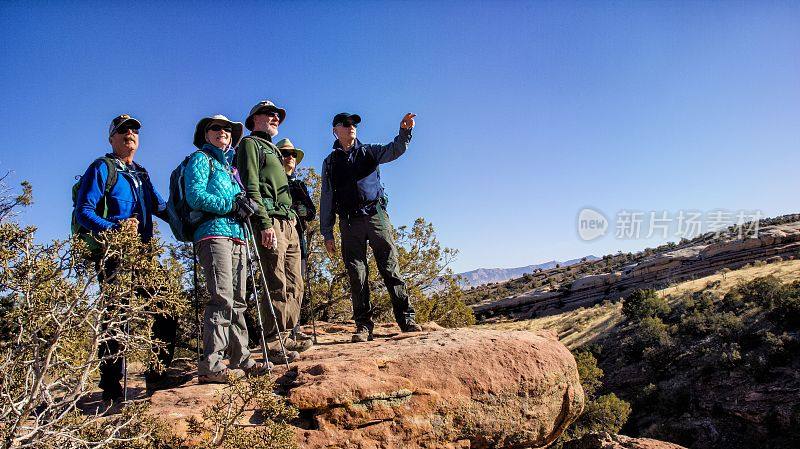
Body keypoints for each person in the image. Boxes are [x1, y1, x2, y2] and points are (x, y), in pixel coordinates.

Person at [74, 114, 176, 401]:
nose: (129, 134)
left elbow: (160, 206)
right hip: (114, 253)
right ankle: (110, 385)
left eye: (134, 131)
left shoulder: (141, 173)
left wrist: (190, 224)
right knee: (117, 316)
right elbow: (85, 211)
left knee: (167, 307)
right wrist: (115, 228)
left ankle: (157, 374)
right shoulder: (102, 168)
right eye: (122, 131)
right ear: (111, 138)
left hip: (143, 253)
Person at [320, 112, 422, 343]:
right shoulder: (330, 162)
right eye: (345, 124)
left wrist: (405, 132)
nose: (351, 127)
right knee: (357, 275)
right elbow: (326, 198)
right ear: (335, 130)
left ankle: (407, 319)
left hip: (376, 216)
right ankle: (363, 326)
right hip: (348, 222)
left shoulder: (369, 151)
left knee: (390, 268)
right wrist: (327, 232)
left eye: (354, 124)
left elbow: (395, 149)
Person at [184, 114, 270, 383]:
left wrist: (247, 207)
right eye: (216, 128)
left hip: (237, 236)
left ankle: (242, 357)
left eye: (228, 129)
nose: (223, 131)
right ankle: (211, 363)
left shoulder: (231, 169)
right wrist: (231, 205)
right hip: (213, 235)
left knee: (240, 301)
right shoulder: (201, 159)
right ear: (206, 134)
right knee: (222, 297)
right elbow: (195, 196)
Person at [235, 100, 310, 363]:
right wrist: (263, 222)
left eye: (278, 115)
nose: (275, 117)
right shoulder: (249, 144)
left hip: (289, 221)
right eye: (269, 114)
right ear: (254, 118)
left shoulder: (273, 150)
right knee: (275, 279)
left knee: (295, 282)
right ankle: (274, 340)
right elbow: (250, 185)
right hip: (271, 220)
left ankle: (288, 333)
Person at [276, 138, 316, 341]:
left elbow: (312, 212)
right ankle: (278, 330)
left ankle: (295, 327)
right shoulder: (273, 182)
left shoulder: (300, 185)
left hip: (299, 238)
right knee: (279, 283)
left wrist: (303, 211)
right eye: (285, 154)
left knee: (296, 283)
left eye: (292, 154)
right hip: (277, 237)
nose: (289, 157)